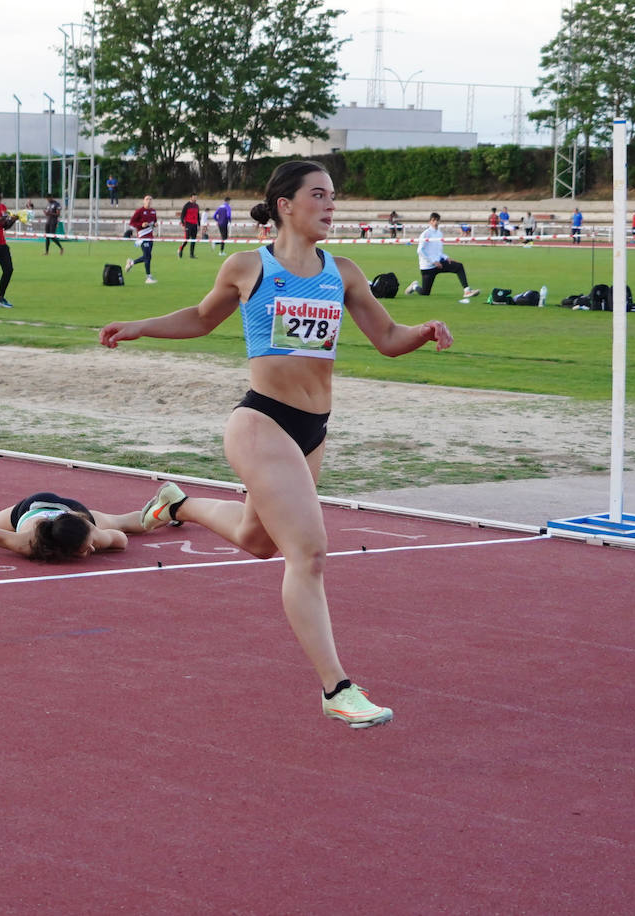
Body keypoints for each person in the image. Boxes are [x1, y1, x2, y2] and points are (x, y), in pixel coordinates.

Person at [98, 160, 454, 729]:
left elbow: (386, 338)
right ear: (286, 205)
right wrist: (142, 324)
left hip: (312, 429)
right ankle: (337, 688)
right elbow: (199, 317)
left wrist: (423, 332)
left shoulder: (344, 273)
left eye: (334, 196)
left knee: (256, 539)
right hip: (261, 422)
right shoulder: (248, 266)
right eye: (319, 195)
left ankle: (176, 505)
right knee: (308, 553)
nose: (331, 205)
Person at [0, 483, 187, 562]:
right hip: (30, 510)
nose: (90, 550)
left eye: (88, 545)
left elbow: (121, 539)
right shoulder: (24, 542)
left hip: (74, 511)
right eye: (85, 549)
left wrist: (101, 540)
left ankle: (170, 508)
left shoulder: (91, 533)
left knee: (130, 523)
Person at [403, 213, 482, 301]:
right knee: (425, 293)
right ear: (430, 222)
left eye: (437, 220)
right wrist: (433, 261)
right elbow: (420, 251)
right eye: (433, 220)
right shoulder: (425, 234)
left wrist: (446, 257)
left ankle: (467, 291)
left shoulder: (439, 233)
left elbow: (438, 251)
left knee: (459, 266)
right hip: (427, 267)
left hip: (439, 264)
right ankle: (414, 286)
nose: (436, 222)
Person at [124, 194, 158, 284]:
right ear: (144, 201)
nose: (149, 201)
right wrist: (141, 225)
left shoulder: (153, 211)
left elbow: (154, 222)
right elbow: (132, 223)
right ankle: (148, 277)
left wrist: (155, 224)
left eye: (150, 199)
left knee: (148, 257)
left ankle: (131, 263)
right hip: (142, 237)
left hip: (150, 237)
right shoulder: (139, 211)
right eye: (147, 199)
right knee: (147, 256)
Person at [178, 193, 201, 259]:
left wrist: (199, 225)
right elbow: (182, 215)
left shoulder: (197, 206)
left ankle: (191, 254)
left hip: (194, 225)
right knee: (187, 239)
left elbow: (198, 216)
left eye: (196, 197)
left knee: (193, 240)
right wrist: (183, 224)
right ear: (190, 198)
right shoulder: (187, 205)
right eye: (194, 197)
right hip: (188, 224)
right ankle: (180, 249)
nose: (195, 199)